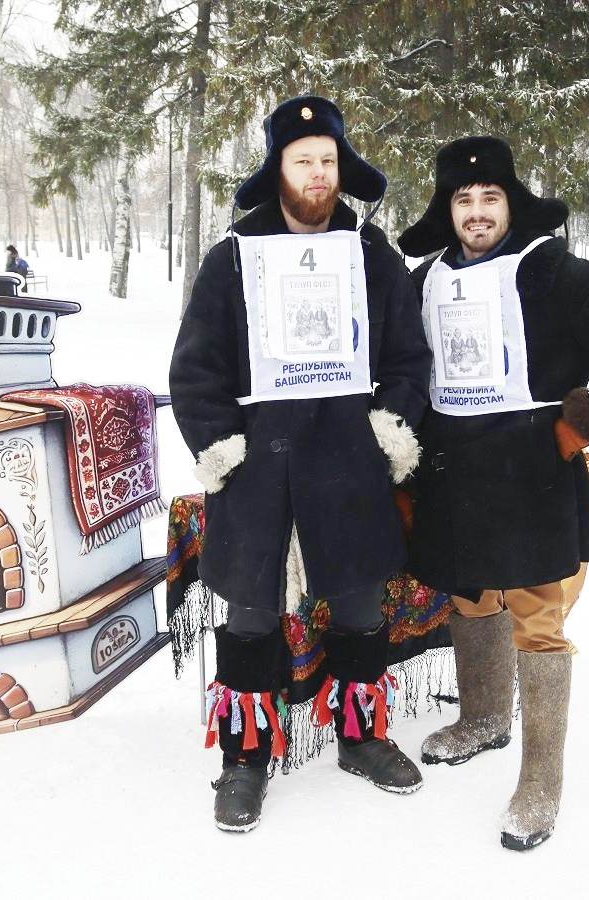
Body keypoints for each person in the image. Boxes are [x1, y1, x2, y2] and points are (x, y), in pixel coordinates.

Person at [397, 136, 589, 851]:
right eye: (464, 200)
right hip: (452, 465)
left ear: (510, 204)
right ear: (447, 210)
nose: (477, 212)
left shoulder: (551, 269)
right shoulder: (424, 279)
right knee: (469, 596)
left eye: (490, 198)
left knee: (537, 616)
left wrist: (582, 425)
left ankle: (541, 779)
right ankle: (485, 718)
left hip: (532, 466)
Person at [169, 95, 432, 832]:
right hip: (259, 468)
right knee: (251, 619)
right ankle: (245, 758)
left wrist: (388, 427)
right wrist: (222, 444)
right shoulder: (232, 258)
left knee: (359, 610)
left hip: (350, 462)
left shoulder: (373, 255)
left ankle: (361, 737)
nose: (318, 173)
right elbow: (195, 368)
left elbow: (409, 358)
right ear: (277, 169)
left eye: (328, 161)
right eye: (303, 160)